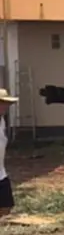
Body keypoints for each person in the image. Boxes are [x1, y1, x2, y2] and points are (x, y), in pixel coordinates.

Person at [0, 88, 17, 218]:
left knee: (6, 207)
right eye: (2, 103)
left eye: (6, 103)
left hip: (1, 172)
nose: (5, 106)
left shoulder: (2, 121)